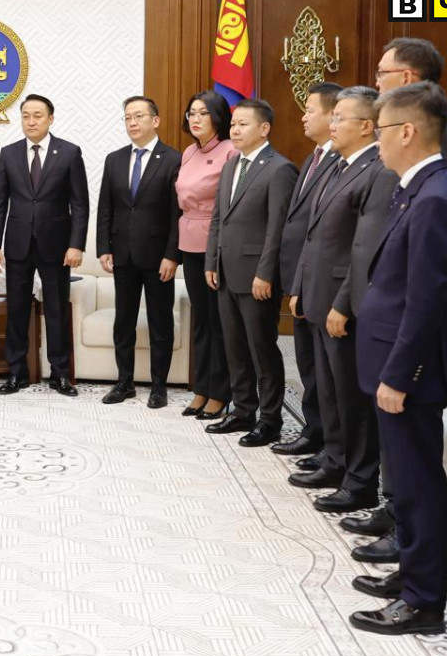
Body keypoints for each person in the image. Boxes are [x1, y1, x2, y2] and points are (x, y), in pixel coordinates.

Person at [348, 81, 447, 636]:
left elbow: (426, 301)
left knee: (418, 485)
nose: (375, 142)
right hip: (392, 362)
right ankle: (412, 574)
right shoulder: (415, 187)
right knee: (406, 481)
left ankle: (423, 602)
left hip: (409, 373)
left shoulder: (437, 196)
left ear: (407, 131)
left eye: (379, 131)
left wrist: (400, 375)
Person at [288, 87, 391, 515]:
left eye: (340, 118)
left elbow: (364, 249)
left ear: (366, 126)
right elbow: (312, 235)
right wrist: (299, 284)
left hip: (342, 302)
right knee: (327, 390)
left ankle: (360, 481)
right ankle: (334, 460)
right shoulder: (335, 164)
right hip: (316, 291)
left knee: (351, 396)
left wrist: (344, 304)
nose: (332, 124)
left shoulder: (377, 171)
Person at [204, 98, 297, 446]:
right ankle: (243, 410)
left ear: (264, 129)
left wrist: (266, 273)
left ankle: (270, 419)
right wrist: (211, 261)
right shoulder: (231, 164)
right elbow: (219, 218)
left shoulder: (279, 169)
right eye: (233, 124)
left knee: (262, 350)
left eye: (243, 124)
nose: (235, 129)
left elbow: (278, 228)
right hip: (226, 272)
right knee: (235, 347)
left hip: (257, 276)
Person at [0, 94, 86, 398]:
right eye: (26, 116)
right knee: (16, 310)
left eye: (37, 116)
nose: (31, 121)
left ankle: (60, 374)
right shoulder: (8, 154)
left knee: (56, 310)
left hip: (56, 245)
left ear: (50, 119)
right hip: (17, 245)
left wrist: (76, 245)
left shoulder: (69, 152)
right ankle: (16, 373)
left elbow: (80, 204)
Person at [96, 95, 181, 407]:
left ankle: (159, 386)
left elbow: (177, 213)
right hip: (123, 255)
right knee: (124, 321)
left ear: (155, 120)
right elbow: (105, 207)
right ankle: (124, 382)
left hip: (159, 257)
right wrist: (103, 247)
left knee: (160, 322)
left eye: (139, 116)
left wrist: (172, 255)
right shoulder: (114, 159)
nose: (132, 123)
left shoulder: (174, 159)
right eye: (128, 117)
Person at [273, 82, 341, 459]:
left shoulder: (339, 163)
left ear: (333, 116)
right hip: (303, 279)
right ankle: (314, 432)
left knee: (325, 373)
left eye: (310, 110)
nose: (303, 116)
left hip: (324, 284)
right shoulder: (313, 158)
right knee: (308, 364)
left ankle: (330, 444)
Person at [176, 91, 237, 420]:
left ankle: (219, 392)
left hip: (216, 247)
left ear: (218, 117)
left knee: (218, 322)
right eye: (192, 113)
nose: (195, 119)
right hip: (189, 244)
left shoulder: (230, 150)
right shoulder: (188, 152)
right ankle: (201, 389)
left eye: (203, 113)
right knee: (201, 320)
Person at [375, 37, 447, 186]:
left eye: (382, 73)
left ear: (406, 77)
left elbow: (444, 190)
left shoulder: (444, 131)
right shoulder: (397, 122)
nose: (377, 82)